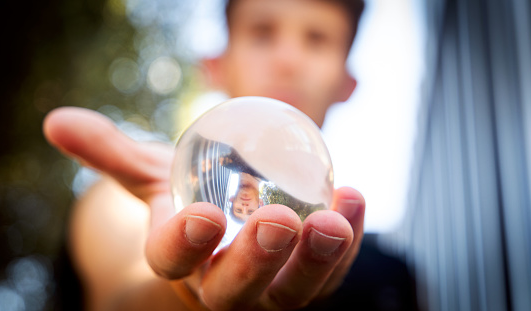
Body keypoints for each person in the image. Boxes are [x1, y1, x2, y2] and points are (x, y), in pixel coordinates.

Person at [43, 0, 367, 310]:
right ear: (215, 68)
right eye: (262, 32)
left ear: (346, 86)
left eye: (317, 39)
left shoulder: (389, 277)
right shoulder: (140, 193)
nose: (288, 59)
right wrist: (186, 291)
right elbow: (119, 295)